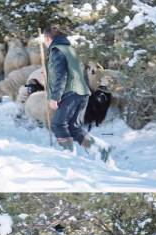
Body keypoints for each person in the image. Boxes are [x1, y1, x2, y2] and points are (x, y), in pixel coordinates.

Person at [43, 25, 112, 163]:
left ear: (47, 38)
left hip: (70, 92)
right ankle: (100, 148)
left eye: (44, 40)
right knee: (73, 127)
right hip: (82, 92)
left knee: (58, 124)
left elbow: (60, 76)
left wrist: (55, 97)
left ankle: (68, 156)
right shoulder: (69, 49)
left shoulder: (57, 51)